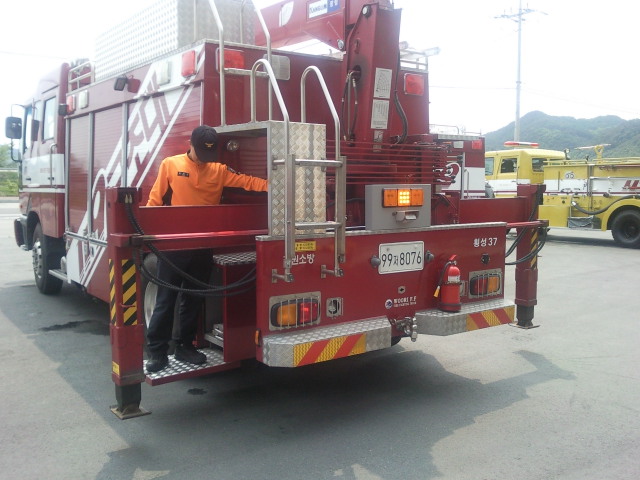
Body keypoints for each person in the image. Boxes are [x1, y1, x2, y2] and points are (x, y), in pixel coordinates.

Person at [145, 125, 268, 373]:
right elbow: (154, 201)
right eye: (201, 152)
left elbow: (248, 182)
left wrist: (276, 185)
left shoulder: (219, 170)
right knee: (166, 300)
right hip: (174, 246)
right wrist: (150, 236)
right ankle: (157, 352)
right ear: (191, 145)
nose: (205, 159)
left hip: (203, 245)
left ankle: (185, 346)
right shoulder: (171, 165)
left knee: (194, 298)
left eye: (209, 154)